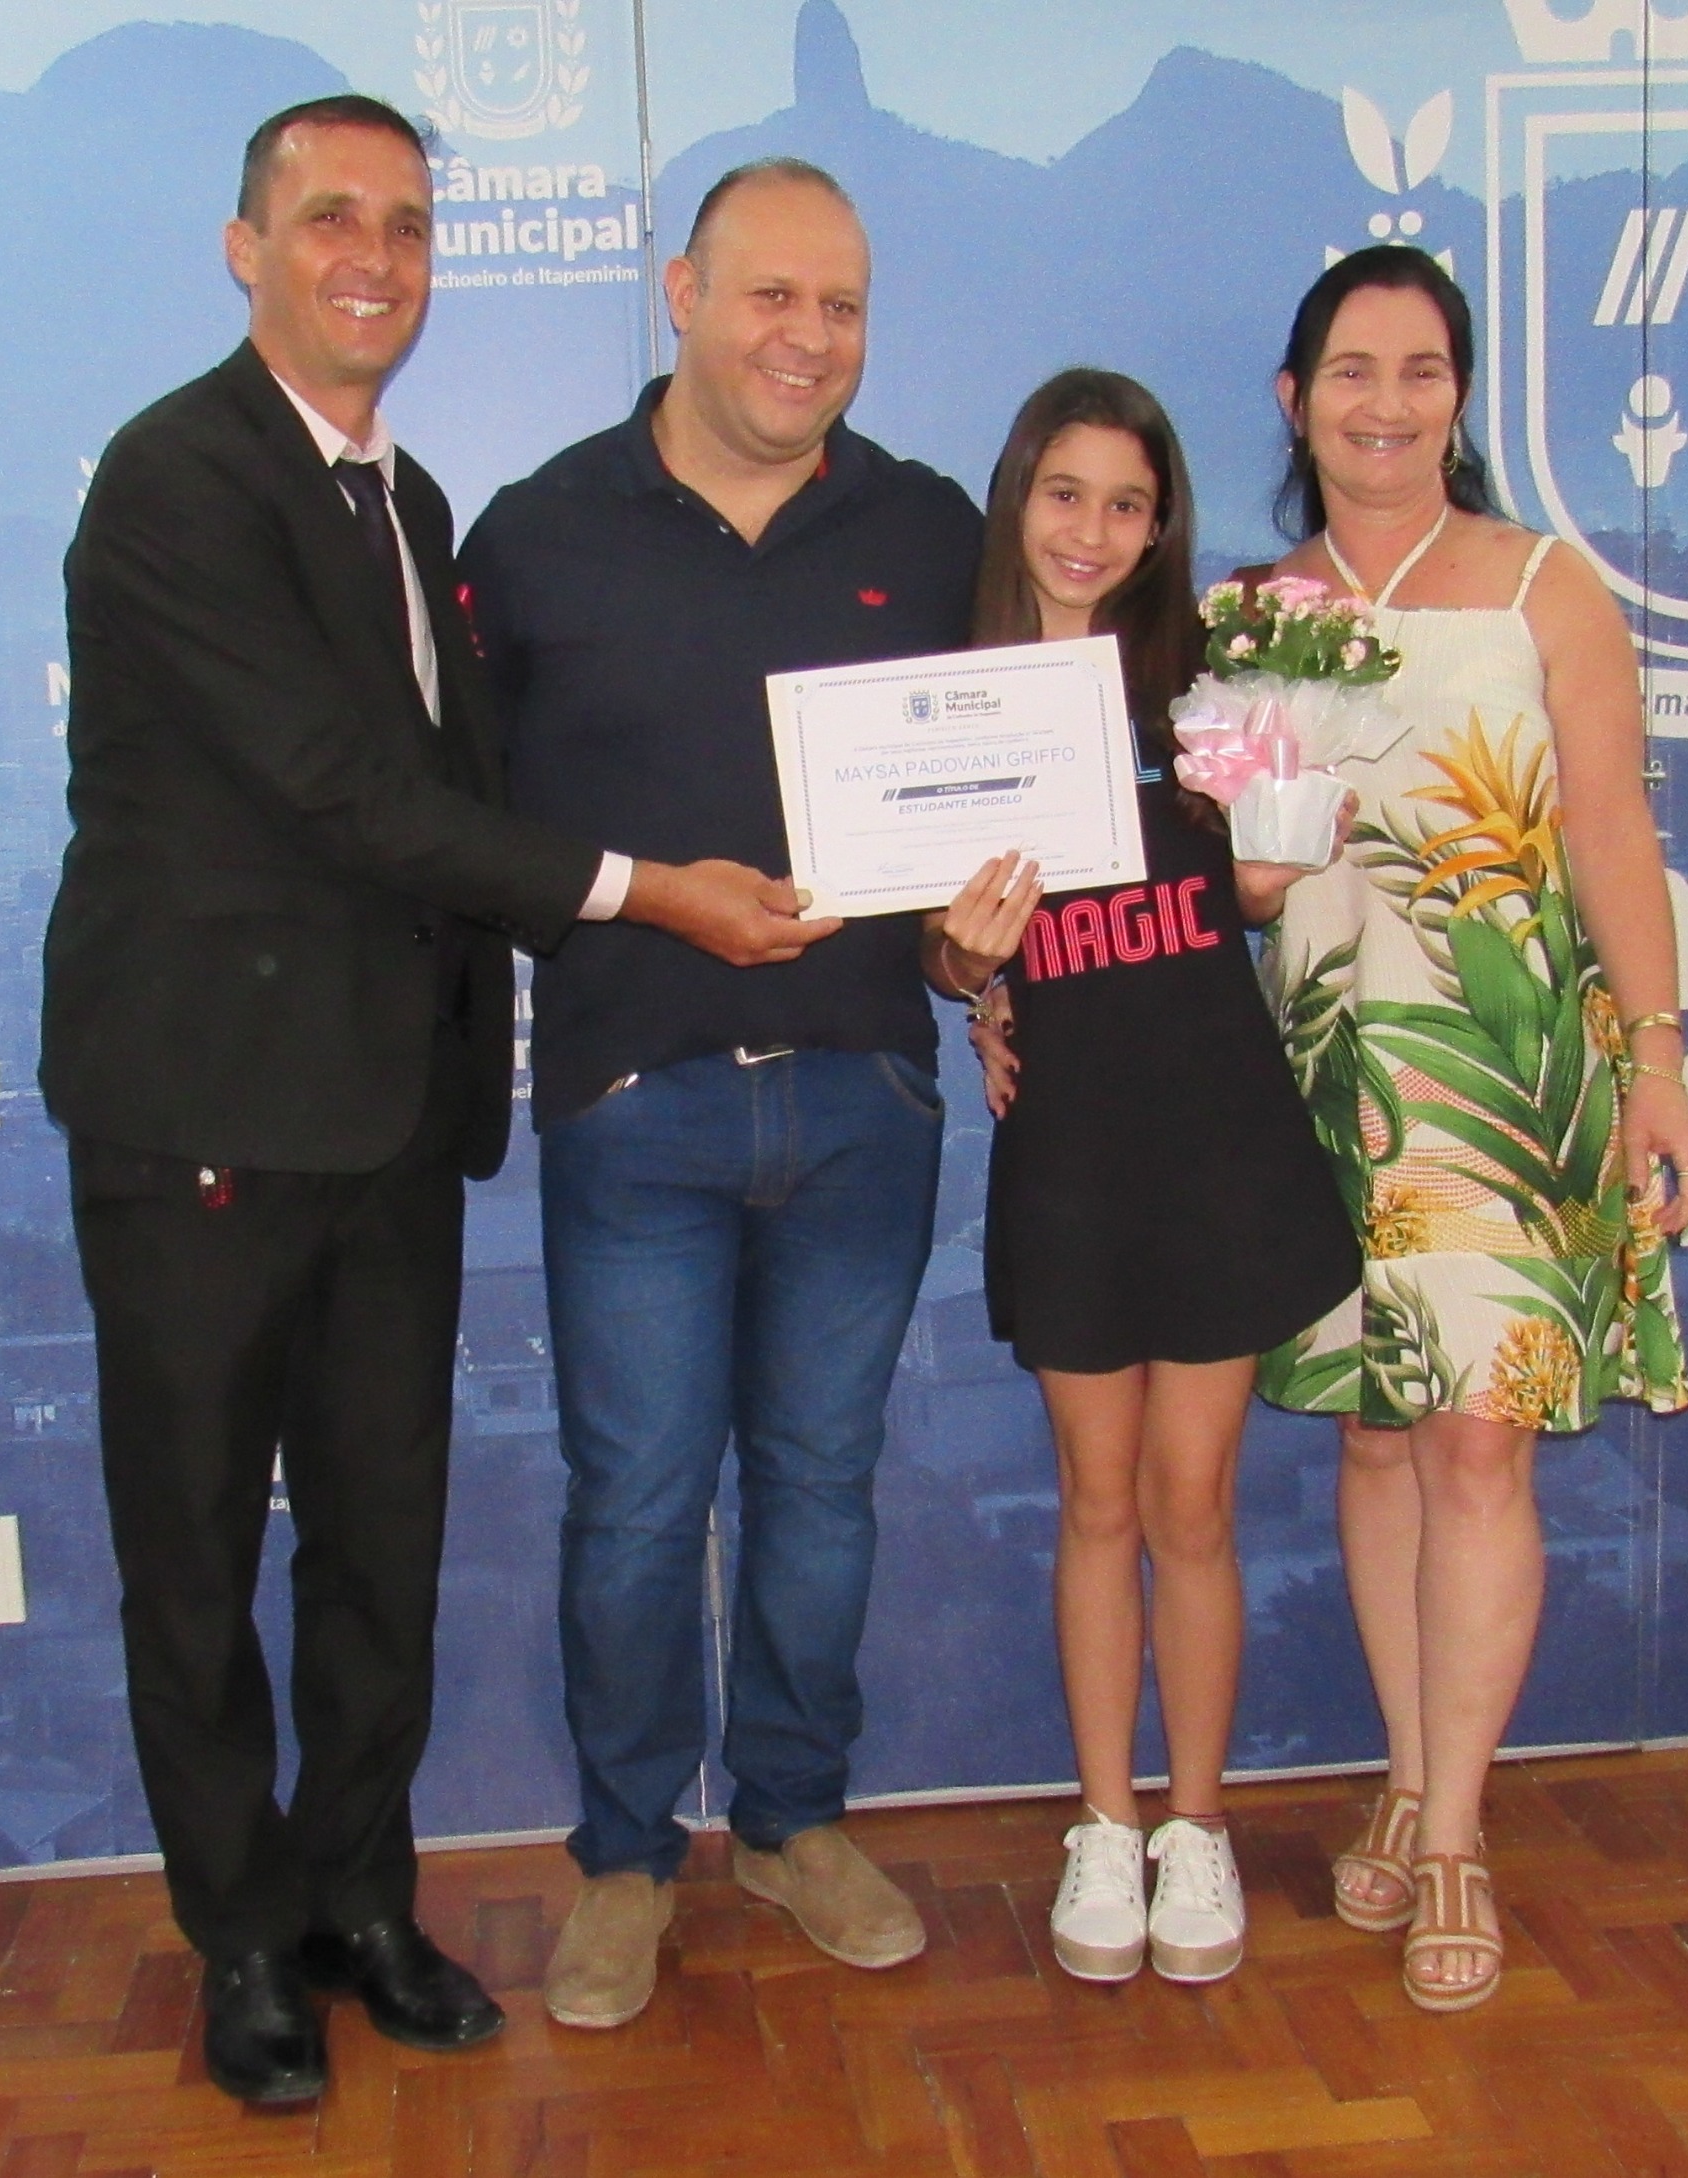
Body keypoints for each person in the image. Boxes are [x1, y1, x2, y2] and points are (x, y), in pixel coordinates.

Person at [45, 95, 834, 2107]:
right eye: (331, 219)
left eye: (405, 224)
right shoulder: (177, 479)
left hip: (389, 1120)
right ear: (247, 248)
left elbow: (466, 794)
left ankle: (358, 1902)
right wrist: (646, 890)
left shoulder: (404, 500)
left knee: (379, 1545)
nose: (373, 258)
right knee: (195, 1557)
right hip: (203, 1119)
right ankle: (242, 1940)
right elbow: (345, 793)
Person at [458, 158, 986, 2031]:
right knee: (634, 1503)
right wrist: (651, 899)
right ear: (681, 291)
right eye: (772, 295)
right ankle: (624, 1856)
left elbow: (998, 795)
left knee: (823, 1492)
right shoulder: (536, 534)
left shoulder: (931, 528)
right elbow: (472, 827)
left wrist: (983, 930)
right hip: (634, 1099)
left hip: (865, 1095)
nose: (807, 337)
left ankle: (791, 1819)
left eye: (841, 306)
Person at [1237, 246, 1688, 2012]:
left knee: (1479, 1447)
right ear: (1295, 400)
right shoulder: (1247, 612)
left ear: (1460, 395)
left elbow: (1614, 832)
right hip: (1322, 1071)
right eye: (1352, 371)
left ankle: (1452, 1833)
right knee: (1378, 1441)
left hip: (1513, 1071)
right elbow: (1220, 880)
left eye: (1422, 370)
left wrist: (1659, 1059)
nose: (1386, 403)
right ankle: (1411, 1766)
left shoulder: (1543, 589)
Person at [927, 371, 1363, 1985]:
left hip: (1218, 1143)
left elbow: (1249, 893)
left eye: (1127, 502)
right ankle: (1103, 1823)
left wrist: (1277, 855)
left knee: (1194, 1504)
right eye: (1066, 493)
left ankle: (1197, 1825)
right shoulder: (955, 704)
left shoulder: (1211, 692)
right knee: (1097, 1501)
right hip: (1072, 1155)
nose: (1092, 529)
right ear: (1017, 500)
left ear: (1161, 523)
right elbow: (936, 940)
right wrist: (965, 973)